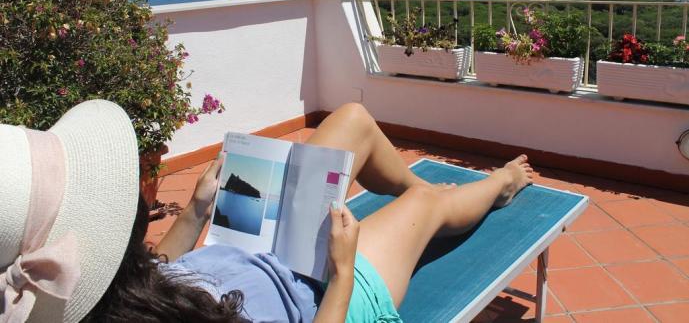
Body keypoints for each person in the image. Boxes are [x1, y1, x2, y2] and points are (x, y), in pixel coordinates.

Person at [0, 100, 533, 323]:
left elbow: (145, 279)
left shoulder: (106, 296)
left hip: (249, 250)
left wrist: (196, 210)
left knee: (351, 119)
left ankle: (427, 202)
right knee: (425, 204)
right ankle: (494, 187)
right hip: (324, 293)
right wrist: (343, 269)